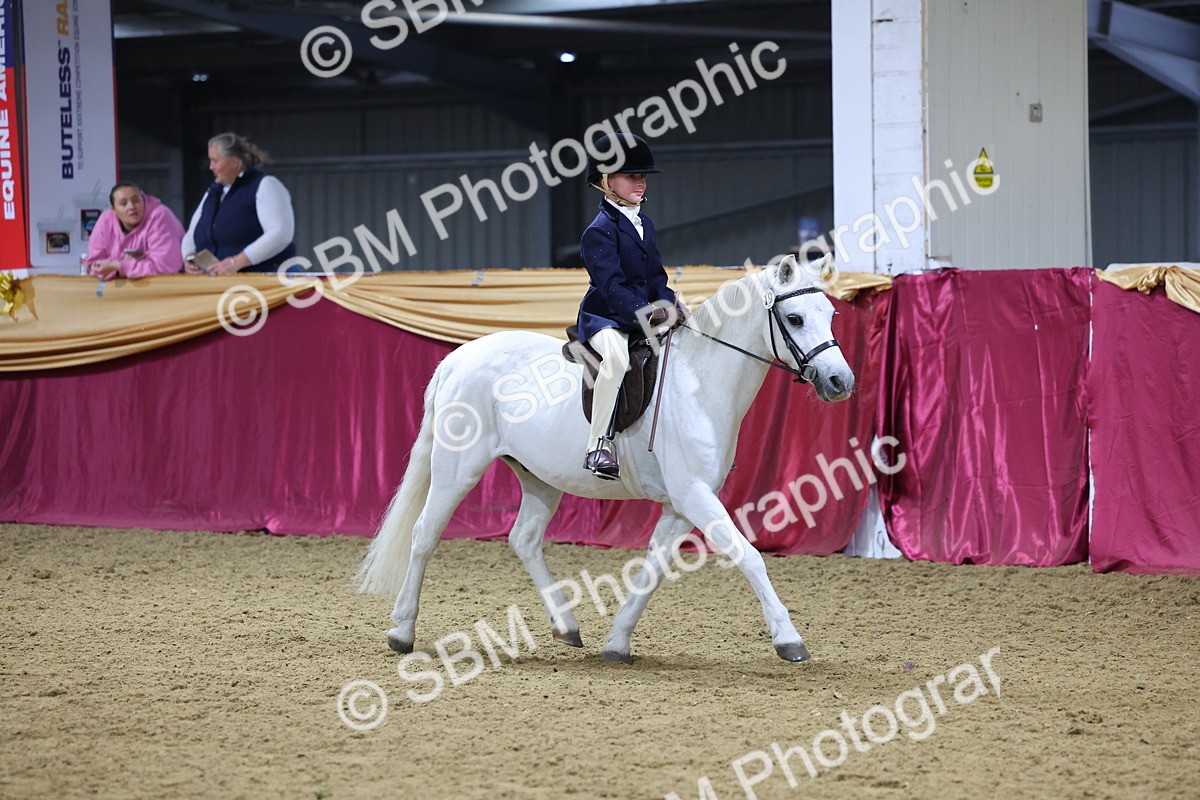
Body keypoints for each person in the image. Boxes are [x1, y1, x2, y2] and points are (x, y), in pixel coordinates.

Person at [576, 132, 683, 481]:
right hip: (606, 317)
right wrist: (646, 312)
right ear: (607, 182)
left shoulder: (645, 225)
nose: (640, 182)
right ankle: (598, 445)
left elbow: (655, 276)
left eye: (642, 176)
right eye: (631, 176)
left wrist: (667, 303)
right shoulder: (599, 230)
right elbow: (611, 287)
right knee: (618, 360)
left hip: (641, 313)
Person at [182, 132, 296, 275]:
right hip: (224, 285)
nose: (211, 167)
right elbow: (191, 235)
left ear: (235, 162)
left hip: (269, 278)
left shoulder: (266, 185)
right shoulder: (213, 192)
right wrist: (190, 257)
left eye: (215, 161)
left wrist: (237, 262)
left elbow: (281, 233)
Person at [84, 183, 185, 279]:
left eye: (136, 200)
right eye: (123, 204)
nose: (131, 207)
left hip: (168, 288)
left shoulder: (159, 216)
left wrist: (119, 266)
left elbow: (165, 268)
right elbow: (94, 266)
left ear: (143, 200)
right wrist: (120, 267)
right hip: (121, 291)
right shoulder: (106, 220)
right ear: (113, 209)